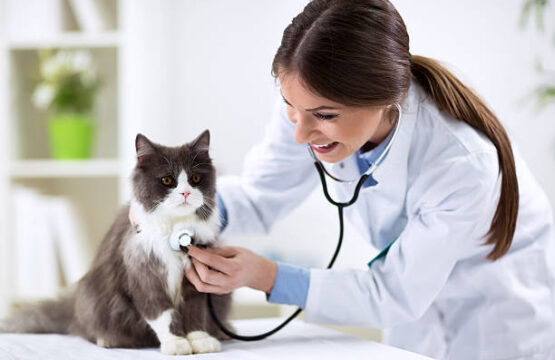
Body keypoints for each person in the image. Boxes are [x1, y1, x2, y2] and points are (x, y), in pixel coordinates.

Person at [179, 1, 555, 359]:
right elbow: (261, 194)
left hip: (498, 316)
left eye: (324, 115)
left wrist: (267, 276)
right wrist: (187, 208)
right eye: (291, 107)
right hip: (418, 324)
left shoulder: (462, 165)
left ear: (384, 100)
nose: (301, 133)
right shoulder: (307, 107)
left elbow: (394, 294)